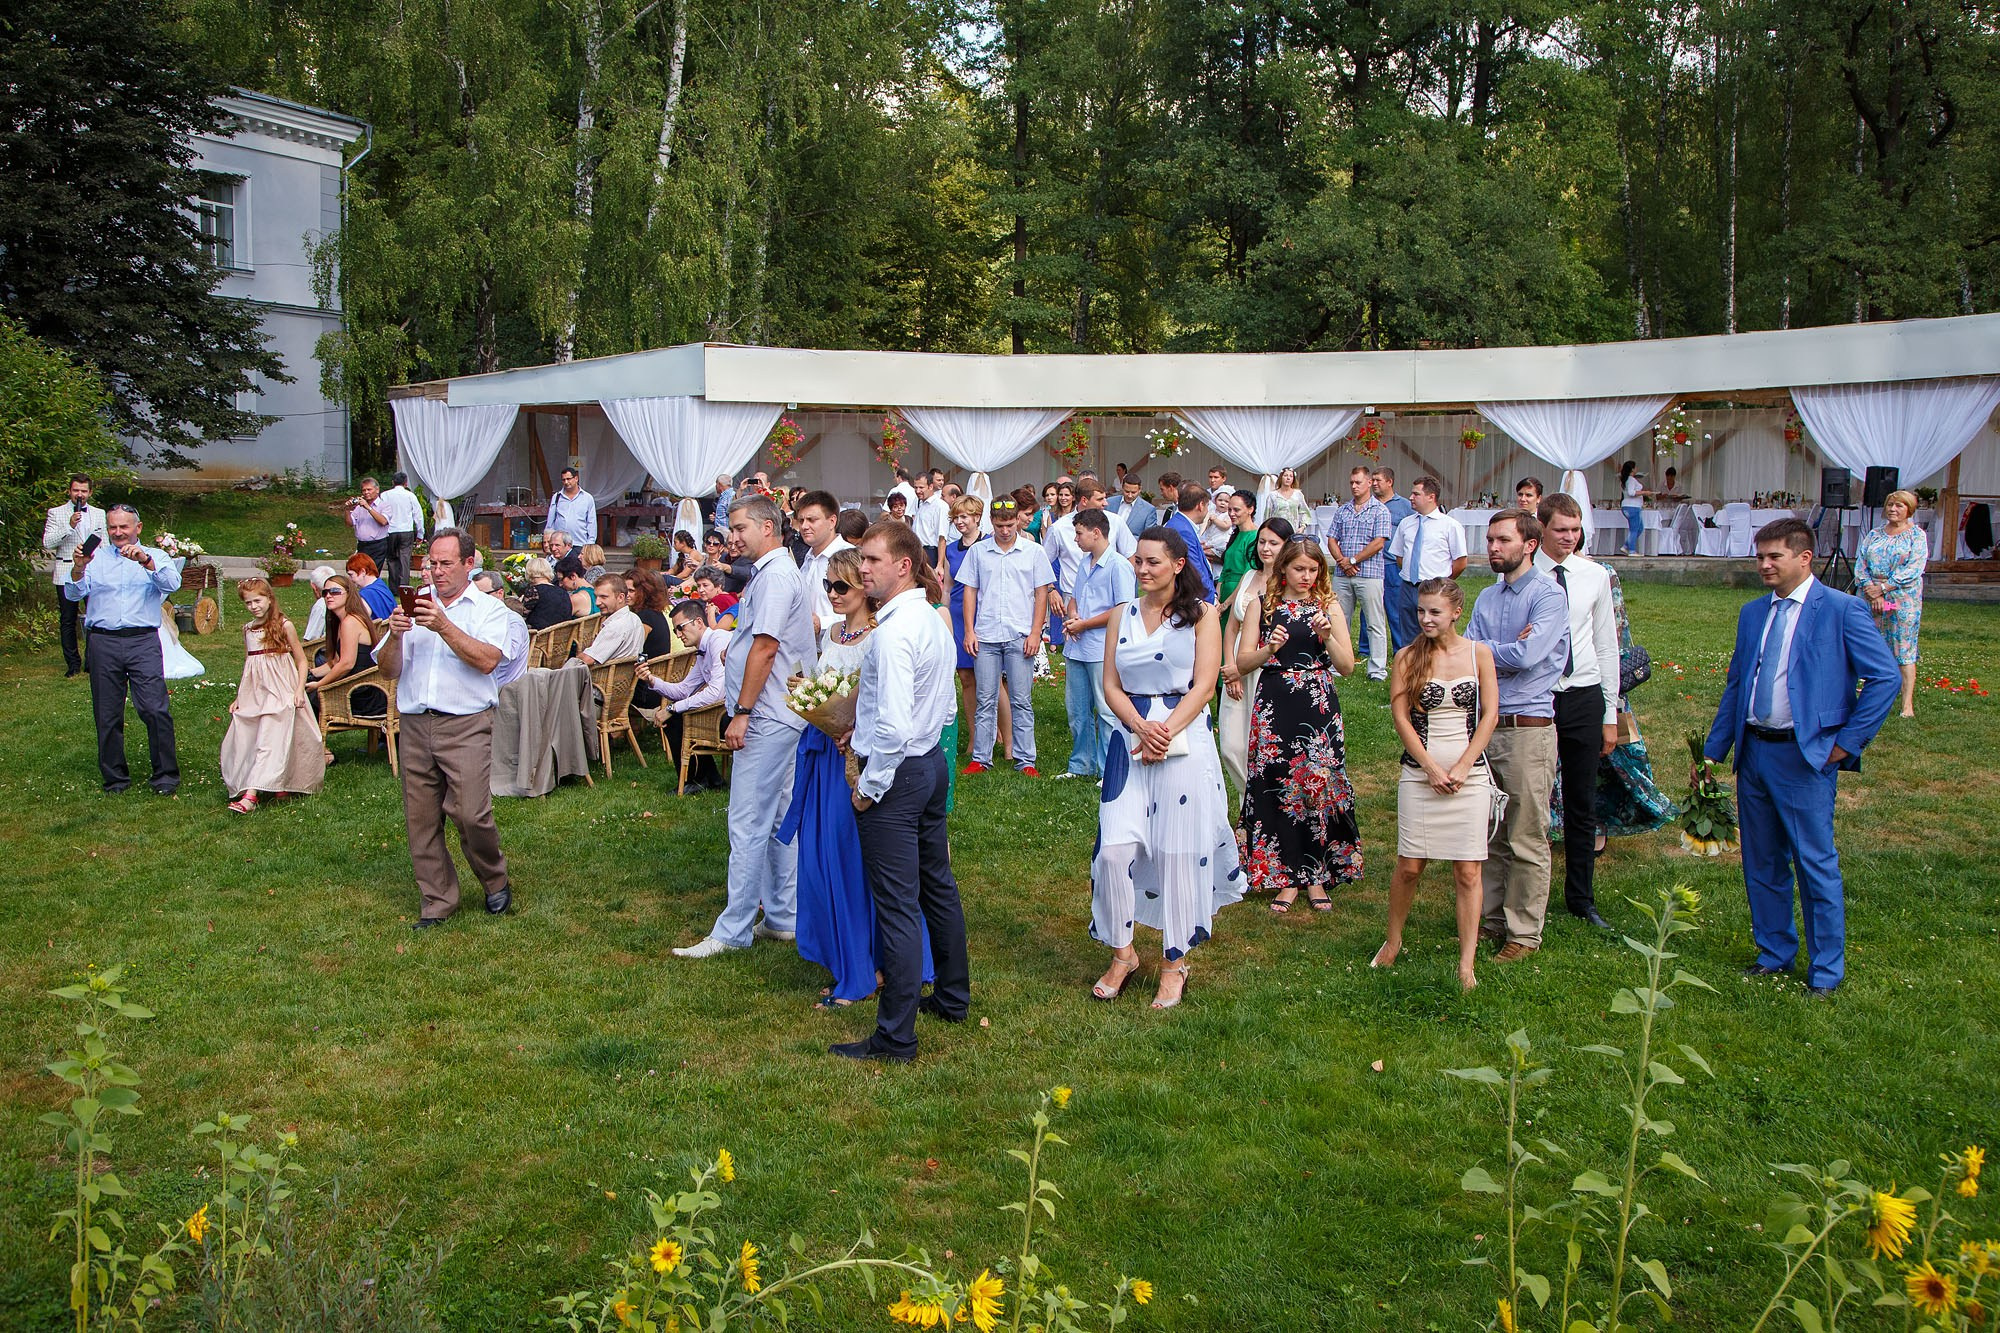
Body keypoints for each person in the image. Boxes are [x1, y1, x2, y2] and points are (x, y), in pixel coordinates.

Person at [1704, 517, 1898, 996]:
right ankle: (1774, 953)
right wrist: (1712, 752)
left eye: (1775, 557)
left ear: (1804, 557)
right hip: (1754, 753)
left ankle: (1826, 971)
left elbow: (1885, 678)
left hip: (1805, 758)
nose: (1764, 565)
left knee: (1815, 865)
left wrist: (1846, 743)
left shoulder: (1842, 609)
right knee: (1762, 862)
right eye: (1760, 557)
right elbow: (1738, 685)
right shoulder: (1753, 613)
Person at [1090, 526, 1244, 1009]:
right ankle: (1123, 954)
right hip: (1128, 742)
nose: (1141, 569)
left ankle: (1175, 963)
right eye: (1137, 560)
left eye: (1152, 561)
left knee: (1179, 853)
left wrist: (1166, 730)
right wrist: (1139, 725)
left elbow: (1203, 685)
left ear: (1177, 565)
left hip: (1184, 737)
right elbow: (1110, 683)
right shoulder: (1122, 615)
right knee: (1113, 852)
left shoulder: (1202, 615)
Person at [830, 521, 967, 1063]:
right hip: (929, 764)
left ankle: (896, 1037)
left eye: (872, 560)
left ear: (904, 564)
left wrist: (871, 785)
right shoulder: (931, 619)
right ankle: (953, 997)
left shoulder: (894, 630)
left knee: (898, 904)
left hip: (901, 772)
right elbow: (947, 701)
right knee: (936, 885)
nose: (862, 569)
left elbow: (892, 725)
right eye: (860, 561)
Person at [675, 495, 816, 958]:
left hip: (768, 716)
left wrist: (742, 711)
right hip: (780, 713)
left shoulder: (775, 575)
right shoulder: (770, 571)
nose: (730, 537)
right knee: (777, 819)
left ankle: (733, 929)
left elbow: (765, 648)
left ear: (768, 528)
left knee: (748, 822)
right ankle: (781, 916)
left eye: (738, 528)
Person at [378, 527, 528, 927]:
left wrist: (442, 625)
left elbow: (486, 660)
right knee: (421, 819)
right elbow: (387, 669)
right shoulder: (413, 607)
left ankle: (494, 878)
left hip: (465, 723)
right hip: (414, 723)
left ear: (468, 562)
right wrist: (394, 636)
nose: (437, 571)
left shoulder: (489, 611)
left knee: (470, 813)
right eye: (431, 563)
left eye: (446, 563)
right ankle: (438, 901)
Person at [780, 548, 902, 1008]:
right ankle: (841, 954)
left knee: (850, 860)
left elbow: (876, 698)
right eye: (828, 586)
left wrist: (853, 732)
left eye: (841, 586)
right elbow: (824, 685)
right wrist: (810, 698)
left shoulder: (878, 636)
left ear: (863, 589)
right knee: (819, 856)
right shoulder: (831, 632)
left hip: (856, 761)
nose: (832, 594)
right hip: (822, 755)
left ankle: (867, 965)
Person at [1373, 578, 1499, 990]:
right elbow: (1401, 718)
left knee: (1468, 872)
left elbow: (1490, 716)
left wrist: (1464, 765)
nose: (1425, 619)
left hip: (1470, 777)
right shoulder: (1407, 657)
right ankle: (1393, 940)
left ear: (1455, 612)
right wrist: (1428, 767)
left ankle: (1467, 964)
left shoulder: (1479, 653)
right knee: (1410, 866)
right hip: (1419, 773)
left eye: (1434, 612)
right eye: (1421, 611)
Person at [1466, 510, 1571, 962]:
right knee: (1488, 833)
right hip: (1484, 726)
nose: (1493, 547)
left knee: (1526, 835)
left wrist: (1485, 651)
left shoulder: (1549, 595)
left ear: (1529, 545)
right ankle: (1490, 922)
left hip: (1528, 730)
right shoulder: (1487, 598)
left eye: (1502, 540)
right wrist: (1490, 651)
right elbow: (1463, 654)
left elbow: (1529, 655)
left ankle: (1523, 933)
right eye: (1489, 540)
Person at [1234, 537, 1360, 911]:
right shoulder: (1263, 605)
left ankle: (1317, 873)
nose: (1307, 576)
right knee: (1276, 784)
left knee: (1316, 783)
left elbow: (1348, 666)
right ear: (1284, 569)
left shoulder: (1328, 606)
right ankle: (1285, 875)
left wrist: (1326, 636)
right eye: (1299, 569)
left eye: (1313, 569)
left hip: (1317, 701)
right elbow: (1242, 663)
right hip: (1274, 701)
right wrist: (1268, 649)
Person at [1533, 494, 1620, 932]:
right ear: (1541, 528)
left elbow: (1607, 643)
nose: (1569, 537)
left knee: (1582, 802)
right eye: (1560, 530)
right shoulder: (1526, 574)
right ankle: (1529, 897)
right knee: (1531, 801)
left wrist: (1610, 710)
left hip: (1584, 694)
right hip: (1539, 696)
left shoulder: (1595, 576)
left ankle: (1581, 899)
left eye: (1575, 529)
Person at [64, 504, 181, 793]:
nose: (118, 533)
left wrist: (146, 562)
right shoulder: (97, 559)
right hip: (103, 641)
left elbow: (172, 583)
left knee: (154, 709)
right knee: (107, 713)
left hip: (143, 641)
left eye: (124, 527)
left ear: (137, 528)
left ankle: (165, 775)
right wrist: (79, 567)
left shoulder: (156, 556)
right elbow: (73, 592)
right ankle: (115, 778)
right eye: (112, 527)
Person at [959, 496, 1054, 776]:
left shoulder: (1033, 551)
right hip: (986, 633)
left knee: (1021, 699)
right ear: (991, 522)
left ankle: (1026, 759)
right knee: (985, 697)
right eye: (1000, 525)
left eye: (1010, 524)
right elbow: (970, 591)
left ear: (1017, 522)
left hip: (1020, 633)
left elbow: (1041, 593)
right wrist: (969, 630)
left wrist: (1036, 632)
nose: (1005, 530)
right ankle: (981, 757)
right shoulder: (978, 552)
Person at [220, 578, 325, 813]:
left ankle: (251, 794)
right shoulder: (248, 629)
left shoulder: (284, 625)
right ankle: (277, 784)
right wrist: (240, 696)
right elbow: (249, 664)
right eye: (248, 603)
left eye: (258, 600)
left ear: (269, 598)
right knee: (249, 734)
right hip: (256, 689)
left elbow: (300, 660)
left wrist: (299, 690)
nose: (254, 606)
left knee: (271, 736)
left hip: (280, 687)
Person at [1058, 509, 1134, 779]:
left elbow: (1122, 610)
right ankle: (1081, 764)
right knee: (1076, 709)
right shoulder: (1084, 563)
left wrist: (1085, 624)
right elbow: (1075, 597)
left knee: (1106, 710)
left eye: (1079, 533)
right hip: (1077, 646)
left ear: (1096, 533)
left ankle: (1108, 769)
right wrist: (1073, 615)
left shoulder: (1119, 566)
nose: (1076, 539)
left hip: (1103, 647)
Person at [1218, 517, 1292, 794]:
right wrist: (1229, 667)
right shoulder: (1249, 576)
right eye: (1262, 541)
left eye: (1274, 543)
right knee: (1232, 745)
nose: (1266, 548)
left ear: (1286, 546)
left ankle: (1263, 802)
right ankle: (1248, 796)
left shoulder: (1289, 583)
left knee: (1264, 743)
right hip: (1238, 663)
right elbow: (1232, 627)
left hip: (1268, 667)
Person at [636, 599, 732, 792]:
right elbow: (683, 690)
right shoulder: (702, 649)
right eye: (675, 631)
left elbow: (716, 692)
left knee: (677, 718)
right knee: (678, 715)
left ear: (698, 622)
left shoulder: (718, 641)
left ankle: (697, 780)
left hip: (735, 714)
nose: (678, 635)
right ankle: (708, 779)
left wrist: (671, 709)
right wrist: (652, 680)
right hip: (723, 710)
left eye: (680, 628)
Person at [1854, 488, 1927, 717]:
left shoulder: (1916, 536)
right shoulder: (1874, 534)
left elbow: (1914, 569)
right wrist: (1873, 592)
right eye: (1890, 505)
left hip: (1899, 600)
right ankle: (1868, 696)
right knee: (1869, 644)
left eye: (1900, 506)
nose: (1893, 509)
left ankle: (1907, 705)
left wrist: (1885, 589)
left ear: (1909, 510)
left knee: (1902, 647)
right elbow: (1861, 564)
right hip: (1871, 595)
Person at [939, 496, 1002, 760]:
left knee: (992, 677)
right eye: (956, 517)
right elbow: (948, 586)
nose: (960, 521)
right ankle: (976, 735)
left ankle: (1001, 733)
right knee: (966, 678)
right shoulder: (952, 549)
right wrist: (942, 615)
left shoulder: (990, 543)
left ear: (978, 517)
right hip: (956, 612)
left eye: (965, 516)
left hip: (982, 613)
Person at [1325, 465, 1394, 681]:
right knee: (1338, 619)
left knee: (1374, 622)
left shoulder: (1380, 510)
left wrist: (1353, 560)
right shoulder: (1343, 510)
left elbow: (1379, 542)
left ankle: (1377, 669)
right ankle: (1337, 664)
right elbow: (1331, 539)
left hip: (1370, 573)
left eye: (1358, 482)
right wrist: (1342, 561)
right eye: (1352, 482)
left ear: (1368, 484)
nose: (1354, 486)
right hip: (1343, 574)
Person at [44, 474, 108, 677]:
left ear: (89, 492)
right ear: (69, 491)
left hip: (93, 571)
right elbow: (48, 542)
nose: (79, 494)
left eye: (83, 491)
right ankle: (72, 664)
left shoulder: (99, 513)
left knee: (95, 617)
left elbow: (104, 542)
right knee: (67, 619)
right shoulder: (56, 513)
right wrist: (69, 525)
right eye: (75, 490)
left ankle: (92, 661)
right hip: (66, 572)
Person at [305, 574, 388, 728]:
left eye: (335, 591)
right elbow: (335, 661)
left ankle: (320, 749)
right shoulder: (341, 621)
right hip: (355, 686)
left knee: (306, 698)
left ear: (349, 594)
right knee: (303, 686)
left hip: (362, 694)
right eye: (325, 592)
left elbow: (347, 664)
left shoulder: (350, 622)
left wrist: (319, 685)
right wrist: (312, 673)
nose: (329, 596)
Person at [1388, 476, 1469, 588]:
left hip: (1435, 588)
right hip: (1407, 587)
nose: (1411, 497)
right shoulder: (1405, 523)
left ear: (1431, 497)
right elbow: (1400, 556)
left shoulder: (1450, 525)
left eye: (1416, 494)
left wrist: (1444, 581)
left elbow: (1461, 561)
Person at [794, 490, 853, 636]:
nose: (804, 526)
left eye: (811, 520)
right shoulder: (808, 558)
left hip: (840, 647)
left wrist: (822, 623)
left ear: (832, 521)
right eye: (801, 521)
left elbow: (862, 611)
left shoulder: (851, 557)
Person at [1372, 467, 1416, 652]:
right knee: (1371, 608)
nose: (1374, 483)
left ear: (1389, 482)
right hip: (1371, 563)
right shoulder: (1369, 504)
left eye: (1378, 480)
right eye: (1372, 480)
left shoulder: (1404, 505)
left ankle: (1400, 647)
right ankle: (1366, 648)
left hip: (1392, 564)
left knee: (1395, 608)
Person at [1163, 485, 1218, 602]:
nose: (1208, 511)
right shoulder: (1182, 530)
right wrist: (1211, 599)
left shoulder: (1182, 524)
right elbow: (1195, 570)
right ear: (1200, 505)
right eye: (1208, 506)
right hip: (1191, 600)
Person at [578, 575, 645, 666]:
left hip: (599, 679)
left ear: (621, 597)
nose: (597, 602)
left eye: (603, 597)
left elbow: (587, 660)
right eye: (596, 597)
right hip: (622, 678)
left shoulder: (616, 626)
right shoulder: (635, 618)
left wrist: (576, 658)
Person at [1215, 489, 1260, 613]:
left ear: (1250, 509)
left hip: (1238, 596)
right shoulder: (1235, 535)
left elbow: (1248, 575)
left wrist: (1225, 604)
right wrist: (1217, 598)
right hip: (1224, 594)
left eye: (1236, 510)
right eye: (1229, 509)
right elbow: (1224, 572)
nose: (1231, 513)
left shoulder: (1255, 537)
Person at [379, 472, 424, 586]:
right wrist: (420, 533)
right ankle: (404, 585)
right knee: (404, 559)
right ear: (406, 483)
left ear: (392, 482)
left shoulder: (385, 495)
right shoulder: (410, 495)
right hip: (406, 530)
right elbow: (418, 515)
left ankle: (393, 586)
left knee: (392, 559)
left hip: (390, 530)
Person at [345, 476, 393, 574]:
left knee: (372, 573)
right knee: (361, 572)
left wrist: (368, 507)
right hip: (362, 545)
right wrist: (347, 510)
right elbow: (350, 523)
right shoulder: (359, 507)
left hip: (377, 545)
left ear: (377, 490)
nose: (366, 492)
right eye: (364, 490)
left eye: (369, 489)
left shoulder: (384, 505)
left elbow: (383, 521)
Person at [545, 466, 598, 546]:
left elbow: (591, 522)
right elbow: (550, 521)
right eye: (563, 480)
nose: (566, 482)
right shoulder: (557, 497)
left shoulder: (587, 498)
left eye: (568, 479)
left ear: (576, 478)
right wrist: (549, 541)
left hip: (580, 543)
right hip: (560, 545)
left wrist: (590, 543)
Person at [520, 558, 571, 630]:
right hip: (561, 636)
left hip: (538, 636)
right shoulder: (563, 592)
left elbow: (522, 615)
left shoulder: (534, 591)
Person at [1265, 466, 1315, 535]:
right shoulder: (1273, 495)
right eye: (1285, 475)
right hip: (1277, 532)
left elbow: (1305, 512)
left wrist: (1302, 527)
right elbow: (1267, 516)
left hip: (1293, 531)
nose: (1288, 478)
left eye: (1291, 476)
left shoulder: (1298, 494)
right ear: (1281, 477)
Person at [1617, 461, 1648, 556]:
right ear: (1633, 469)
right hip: (1632, 506)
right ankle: (1632, 550)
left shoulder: (1627, 479)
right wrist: (1644, 492)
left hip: (1630, 506)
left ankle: (1626, 546)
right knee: (1634, 529)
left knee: (1639, 528)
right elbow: (1631, 492)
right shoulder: (1631, 479)